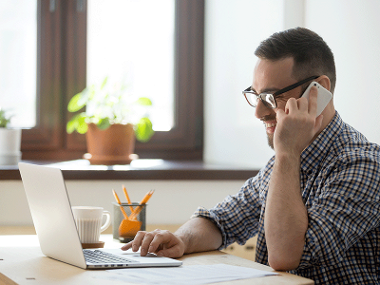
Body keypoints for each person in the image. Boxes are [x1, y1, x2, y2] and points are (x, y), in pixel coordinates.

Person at [122, 27, 380, 284]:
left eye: (270, 96)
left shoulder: (363, 164)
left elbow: (286, 256)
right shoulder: (280, 165)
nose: (258, 112)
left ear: (318, 91)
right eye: (256, 95)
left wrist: (287, 153)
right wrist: (181, 239)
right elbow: (221, 220)